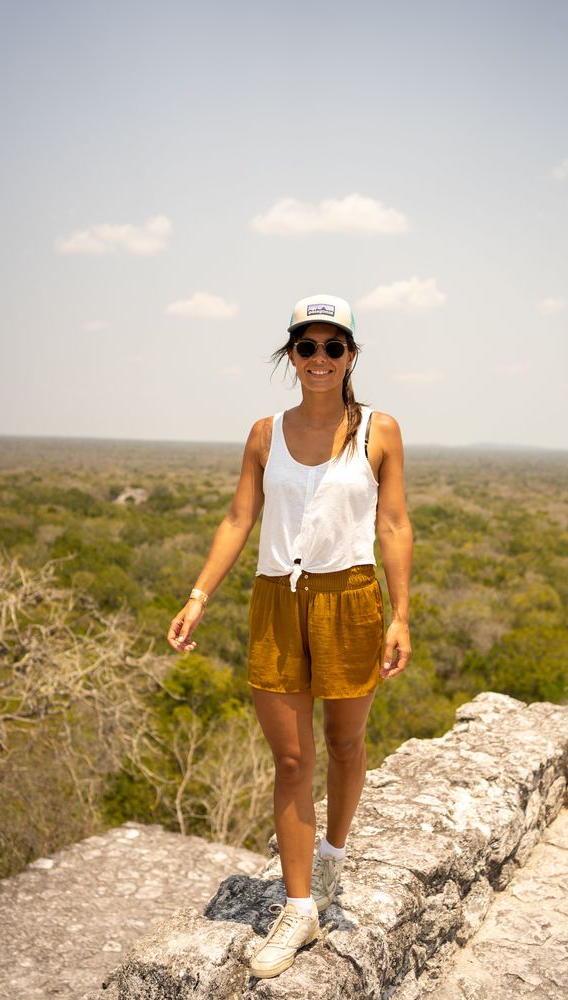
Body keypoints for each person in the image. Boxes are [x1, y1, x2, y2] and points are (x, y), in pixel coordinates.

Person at [167, 293, 413, 979]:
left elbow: (393, 525)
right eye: (307, 346)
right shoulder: (263, 433)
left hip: (351, 600)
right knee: (292, 761)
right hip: (277, 601)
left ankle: (330, 859)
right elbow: (238, 516)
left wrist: (399, 615)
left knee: (344, 742)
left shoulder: (379, 431)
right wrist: (198, 595)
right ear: (291, 355)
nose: (319, 358)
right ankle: (299, 907)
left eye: (334, 346)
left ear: (351, 357)